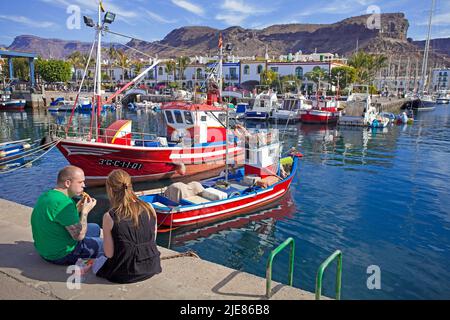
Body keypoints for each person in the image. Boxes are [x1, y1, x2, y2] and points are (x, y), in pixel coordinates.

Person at [95, 169, 162, 284]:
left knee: (97, 259)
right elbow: (152, 239)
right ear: (130, 185)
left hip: (123, 274)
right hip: (151, 267)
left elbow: (109, 254)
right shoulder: (149, 207)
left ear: (110, 190)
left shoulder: (109, 217)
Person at [31, 166, 103, 265]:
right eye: (80, 182)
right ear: (68, 183)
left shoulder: (47, 195)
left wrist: (78, 208)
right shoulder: (65, 203)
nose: (84, 185)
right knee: (107, 245)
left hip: (45, 249)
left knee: (95, 228)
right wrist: (85, 212)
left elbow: (61, 217)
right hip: (61, 255)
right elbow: (79, 236)